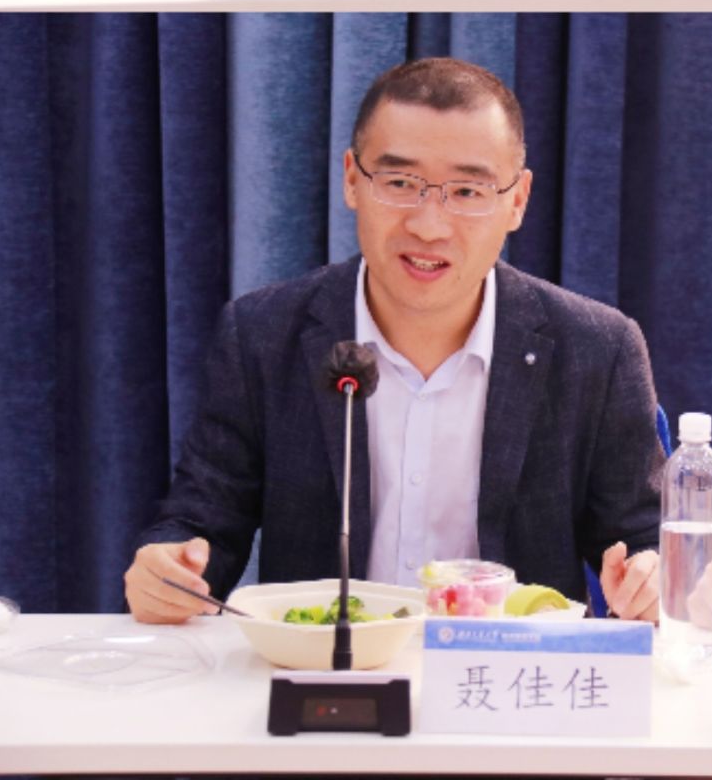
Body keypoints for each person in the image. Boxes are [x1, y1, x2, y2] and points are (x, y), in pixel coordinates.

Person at [124, 57, 663, 623]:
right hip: (326, 665)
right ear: (352, 180)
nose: (429, 225)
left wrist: (652, 578)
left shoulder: (597, 350)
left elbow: (644, 541)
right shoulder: (262, 335)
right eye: (401, 183)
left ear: (517, 200)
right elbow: (200, 523)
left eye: (467, 190)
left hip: (508, 670)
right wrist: (169, 567)